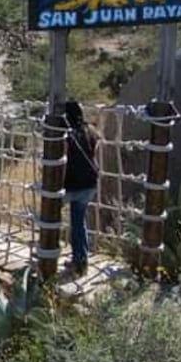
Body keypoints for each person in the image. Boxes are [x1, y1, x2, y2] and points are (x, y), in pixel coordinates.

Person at [63, 100, 100, 275]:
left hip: (70, 185)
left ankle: (47, 252)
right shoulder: (91, 131)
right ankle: (81, 261)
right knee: (79, 222)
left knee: (49, 217)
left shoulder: (64, 134)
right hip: (90, 183)